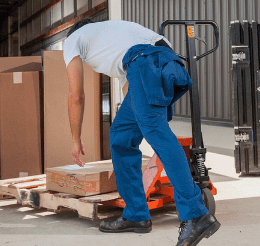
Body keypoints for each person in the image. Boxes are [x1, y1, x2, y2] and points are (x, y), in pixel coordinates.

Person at [64, 19, 220, 246]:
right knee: (121, 137)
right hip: (165, 62)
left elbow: (76, 96)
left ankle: (196, 214)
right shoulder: (112, 36)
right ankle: (136, 214)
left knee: (158, 133)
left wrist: (75, 140)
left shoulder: (73, 39)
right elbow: (132, 91)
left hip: (146, 62)